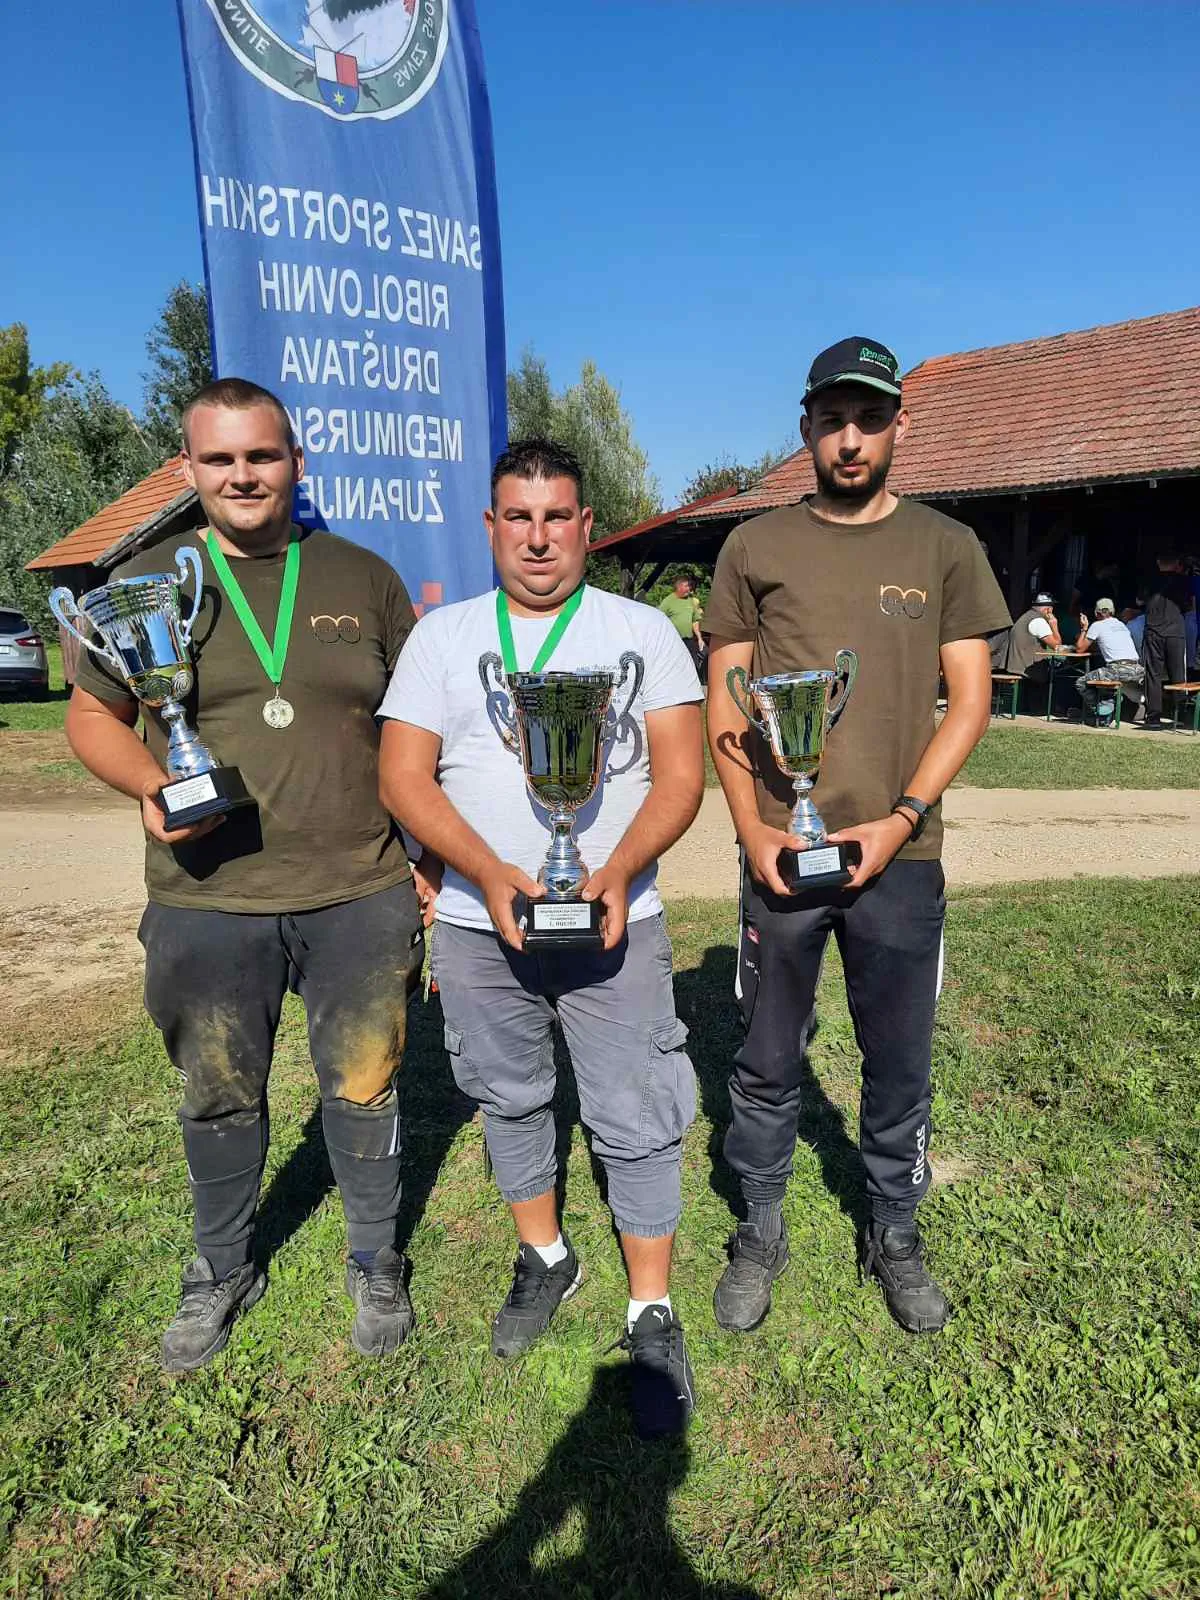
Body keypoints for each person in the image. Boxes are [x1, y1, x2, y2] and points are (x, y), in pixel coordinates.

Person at [65, 378, 424, 1372]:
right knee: (217, 1089)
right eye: (218, 459)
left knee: (364, 1083)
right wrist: (148, 782)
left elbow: (415, 723)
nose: (242, 475)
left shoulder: (362, 578)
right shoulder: (145, 577)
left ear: (296, 461)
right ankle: (223, 1265)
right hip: (207, 898)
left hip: (359, 886)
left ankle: (373, 1258)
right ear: (188, 470)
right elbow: (92, 713)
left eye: (261, 455)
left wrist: (428, 857)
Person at [377, 439, 704, 1439]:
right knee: (507, 1093)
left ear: (586, 527)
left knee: (637, 1104)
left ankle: (650, 1306)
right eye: (517, 518)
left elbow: (683, 776)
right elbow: (403, 777)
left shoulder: (640, 630)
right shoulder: (442, 638)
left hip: (615, 918)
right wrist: (483, 871)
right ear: (491, 527)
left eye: (556, 517)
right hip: (483, 926)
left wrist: (610, 873)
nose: (537, 537)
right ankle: (547, 1259)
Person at [703, 336, 1010, 1337]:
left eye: (869, 418)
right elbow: (726, 696)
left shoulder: (945, 547)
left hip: (901, 860)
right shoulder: (753, 546)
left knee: (900, 1058)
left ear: (897, 427)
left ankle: (894, 1227)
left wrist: (903, 817)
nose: (849, 438)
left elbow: (967, 702)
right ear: (806, 428)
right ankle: (759, 1227)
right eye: (832, 419)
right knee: (765, 1057)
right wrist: (752, 828)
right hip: (784, 855)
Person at [1073, 598, 1145, 725]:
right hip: (1137, 668)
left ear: (1097, 613)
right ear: (1112, 611)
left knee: (1081, 682)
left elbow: (1080, 649)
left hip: (1117, 669)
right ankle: (1115, 704)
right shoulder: (1121, 624)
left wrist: (1084, 628)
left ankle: (1102, 709)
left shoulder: (1097, 625)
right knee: (1120, 684)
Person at [1142, 554, 1190, 727]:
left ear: (1157, 562)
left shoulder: (1149, 580)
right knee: (1178, 673)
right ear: (1177, 563)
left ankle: (1153, 716)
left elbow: (1140, 600)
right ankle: (1181, 715)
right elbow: (1188, 604)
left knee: (1153, 673)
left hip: (1153, 630)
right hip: (1176, 631)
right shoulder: (1184, 581)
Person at [658, 575, 707, 680]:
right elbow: (659, 619)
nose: (689, 589)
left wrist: (699, 638)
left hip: (688, 640)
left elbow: (695, 620)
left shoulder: (690, 601)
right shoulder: (668, 601)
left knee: (693, 664)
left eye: (689, 586)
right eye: (686, 586)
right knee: (675, 666)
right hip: (673, 641)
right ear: (679, 587)